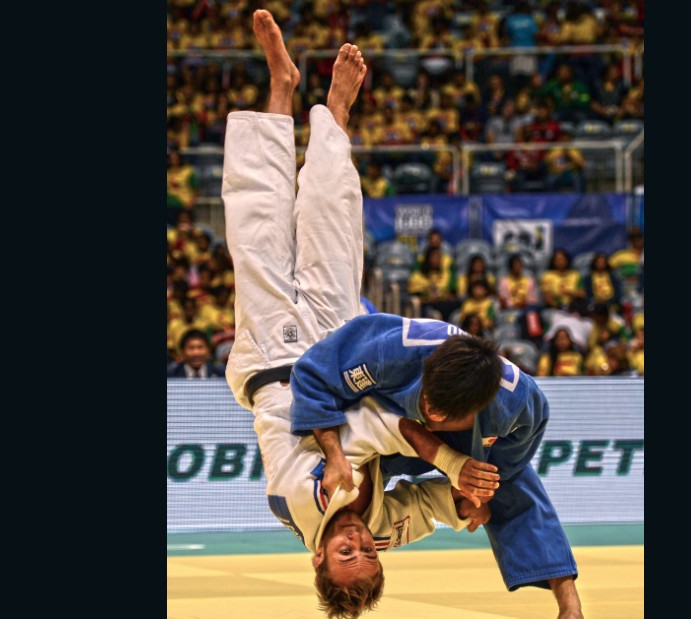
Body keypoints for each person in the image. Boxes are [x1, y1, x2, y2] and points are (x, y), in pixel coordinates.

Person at [222, 13, 500, 618]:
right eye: (368, 556)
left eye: (345, 555)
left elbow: (372, 427)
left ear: (317, 558)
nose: (357, 545)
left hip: (276, 359)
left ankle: (279, 88)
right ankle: (335, 115)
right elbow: (429, 510)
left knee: (257, 230)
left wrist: (451, 465)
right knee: (335, 226)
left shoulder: (300, 499)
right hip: (340, 349)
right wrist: (465, 507)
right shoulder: (377, 527)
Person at [289, 311, 585, 619]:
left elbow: (523, 440)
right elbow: (311, 376)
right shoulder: (387, 352)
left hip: (468, 434)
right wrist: (334, 453)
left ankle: (569, 607)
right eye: (429, 406)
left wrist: (481, 487)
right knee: (362, 439)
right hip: (389, 414)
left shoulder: (513, 401)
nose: (432, 418)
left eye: (441, 416)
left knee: (504, 483)